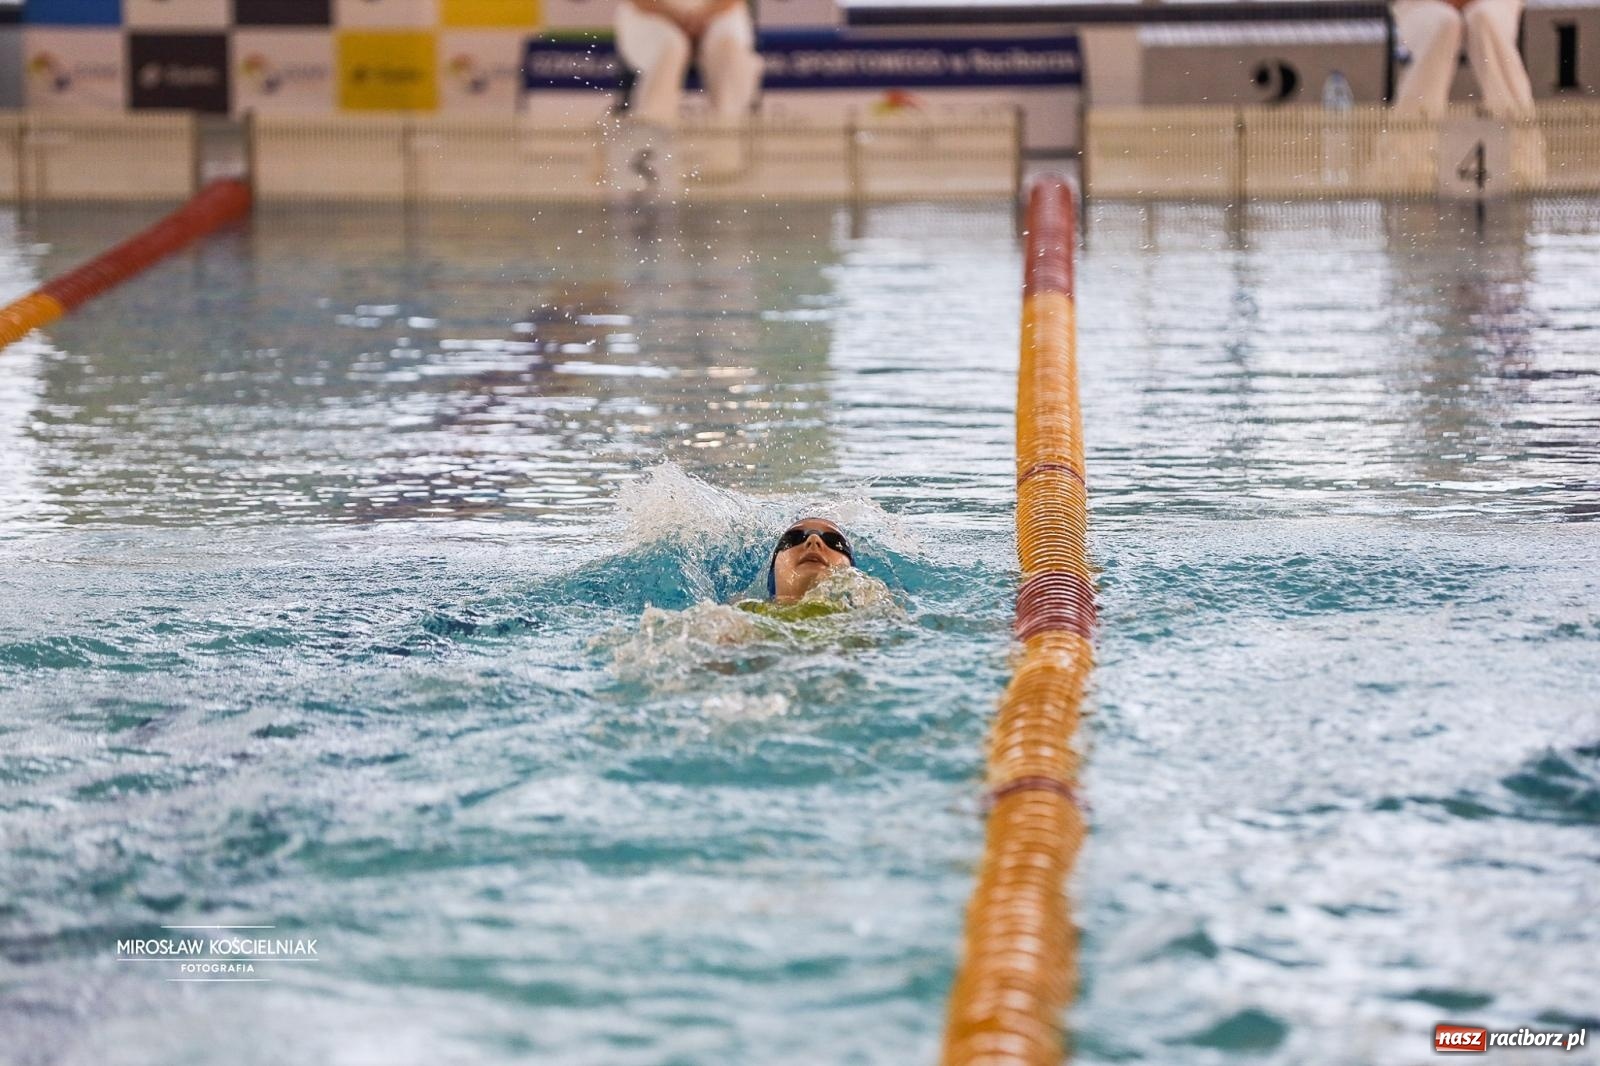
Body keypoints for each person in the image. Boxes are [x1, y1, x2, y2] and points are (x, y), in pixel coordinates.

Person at [615, 0, 763, 128]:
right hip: (651, 16)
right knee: (672, 47)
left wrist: (702, 17)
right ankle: (651, 144)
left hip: (719, 15)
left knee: (731, 56)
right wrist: (678, 19)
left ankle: (729, 143)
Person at [1391, 0, 1536, 119]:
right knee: (1444, 23)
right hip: (1420, 4)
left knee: (1485, 18)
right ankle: (1408, 146)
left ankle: (1521, 144)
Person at [734, 518, 857, 618]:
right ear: (772, 577)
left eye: (833, 540)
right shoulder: (744, 612)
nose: (813, 539)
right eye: (793, 538)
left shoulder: (865, 614)